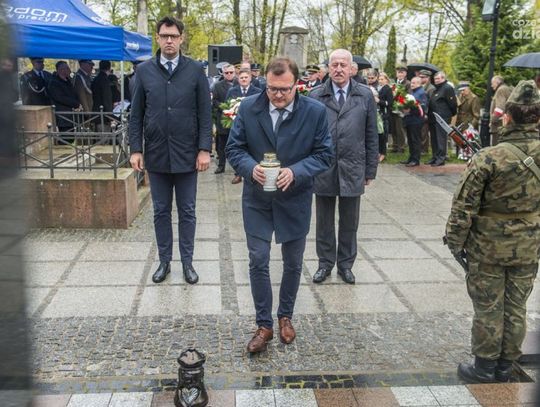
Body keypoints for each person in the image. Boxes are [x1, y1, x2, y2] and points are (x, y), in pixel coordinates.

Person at [226, 56, 333, 353]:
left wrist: (296, 171)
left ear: (297, 84)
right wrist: (250, 168)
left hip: (294, 197)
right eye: (272, 89)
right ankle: (264, 324)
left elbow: (325, 154)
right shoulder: (249, 107)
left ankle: (286, 316)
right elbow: (234, 148)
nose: (278, 95)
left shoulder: (314, 111)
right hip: (257, 199)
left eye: (285, 89)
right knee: (258, 259)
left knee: (293, 262)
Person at [446, 80, 540, 384]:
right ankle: (505, 366)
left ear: (507, 116)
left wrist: (455, 242)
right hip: (529, 246)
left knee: (488, 306)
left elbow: (463, 207)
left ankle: (485, 368)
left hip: (488, 247)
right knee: (516, 306)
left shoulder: (489, 157)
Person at [129, 16, 212, 285]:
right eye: (164, 36)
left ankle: (187, 262)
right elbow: (136, 115)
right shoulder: (144, 71)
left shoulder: (195, 70)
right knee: (160, 212)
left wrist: (204, 149)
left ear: (181, 38)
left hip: (187, 155)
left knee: (187, 211)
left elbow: (205, 113)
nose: (169, 41)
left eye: (173, 36)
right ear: (157, 38)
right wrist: (136, 149)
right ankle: (164, 261)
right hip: (156, 155)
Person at [309, 49, 378, 285]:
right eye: (334, 65)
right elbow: (308, 135)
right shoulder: (316, 94)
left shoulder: (364, 95)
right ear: (328, 68)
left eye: (343, 65)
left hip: (353, 166)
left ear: (351, 69)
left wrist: (370, 169)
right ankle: (325, 263)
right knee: (324, 221)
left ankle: (346, 265)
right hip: (323, 166)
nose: (338, 69)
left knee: (350, 221)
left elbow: (371, 134)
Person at [225, 69, 262, 184]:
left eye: (246, 77)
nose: (244, 79)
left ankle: (253, 171)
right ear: (238, 79)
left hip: (254, 125)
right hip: (237, 123)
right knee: (238, 148)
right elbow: (227, 105)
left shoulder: (258, 91)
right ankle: (238, 174)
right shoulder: (232, 91)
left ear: (250, 78)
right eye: (241, 78)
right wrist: (231, 115)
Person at [427, 71, 457, 166]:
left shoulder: (447, 88)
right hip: (433, 117)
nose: (436, 80)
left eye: (438, 78)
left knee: (441, 138)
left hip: (442, 117)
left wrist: (450, 114)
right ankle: (435, 157)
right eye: (435, 79)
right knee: (434, 138)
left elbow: (452, 104)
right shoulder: (437, 88)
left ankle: (441, 158)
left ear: (443, 78)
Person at [212, 63, 236, 174]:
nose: (229, 74)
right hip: (223, 118)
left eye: (231, 72)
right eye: (227, 72)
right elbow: (215, 101)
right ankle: (221, 166)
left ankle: (237, 168)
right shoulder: (217, 85)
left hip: (237, 119)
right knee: (222, 144)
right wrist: (225, 108)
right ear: (223, 73)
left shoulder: (239, 83)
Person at [47, 61, 81, 134]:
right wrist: (75, 104)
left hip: (70, 115)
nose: (69, 70)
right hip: (63, 115)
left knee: (71, 135)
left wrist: (78, 102)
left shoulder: (67, 80)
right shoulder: (54, 82)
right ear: (61, 70)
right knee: (65, 136)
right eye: (67, 68)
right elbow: (60, 98)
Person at [401, 77, 427, 167]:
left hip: (416, 119)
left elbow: (422, 107)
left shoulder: (421, 93)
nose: (412, 84)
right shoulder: (413, 92)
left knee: (415, 140)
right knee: (410, 140)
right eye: (411, 82)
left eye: (414, 83)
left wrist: (410, 108)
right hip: (410, 119)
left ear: (419, 83)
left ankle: (416, 160)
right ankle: (411, 158)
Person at [390, 66, 410, 153]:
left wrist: (399, 98)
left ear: (405, 74)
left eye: (402, 72)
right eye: (398, 72)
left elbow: (408, 97)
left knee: (400, 129)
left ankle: (401, 147)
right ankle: (395, 146)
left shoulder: (408, 83)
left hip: (401, 109)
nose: (400, 74)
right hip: (393, 108)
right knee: (393, 128)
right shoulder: (394, 83)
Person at [489, 75, 513, 146]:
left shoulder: (500, 90)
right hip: (505, 125)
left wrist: (492, 120)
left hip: (498, 126)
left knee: (496, 147)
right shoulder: (506, 89)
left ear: (497, 82)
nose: (491, 86)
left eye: (492, 83)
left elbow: (499, 109)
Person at [377, 72, 394, 162]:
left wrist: (379, 101)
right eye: (379, 79)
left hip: (385, 115)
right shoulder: (378, 88)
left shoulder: (388, 89)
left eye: (382, 79)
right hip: (378, 114)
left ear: (386, 80)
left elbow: (389, 103)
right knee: (379, 134)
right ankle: (378, 152)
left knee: (384, 135)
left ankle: (383, 153)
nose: (380, 81)